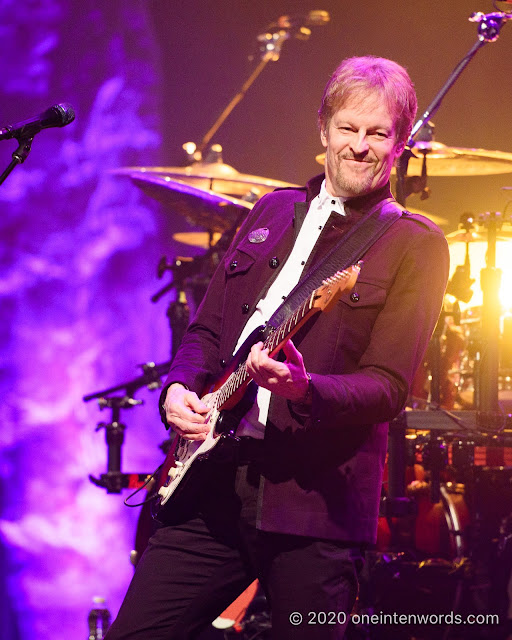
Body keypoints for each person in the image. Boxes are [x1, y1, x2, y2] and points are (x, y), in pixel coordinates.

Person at [106, 56, 450, 639]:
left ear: (400, 144)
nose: (359, 147)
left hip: (315, 508)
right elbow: (207, 331)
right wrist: (178, 390)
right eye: (348, 128)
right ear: (323, 128)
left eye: (377, 134)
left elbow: (389, 386)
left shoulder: (412, 243)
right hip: (213, 482)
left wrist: (304, 388)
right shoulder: (272, 210)